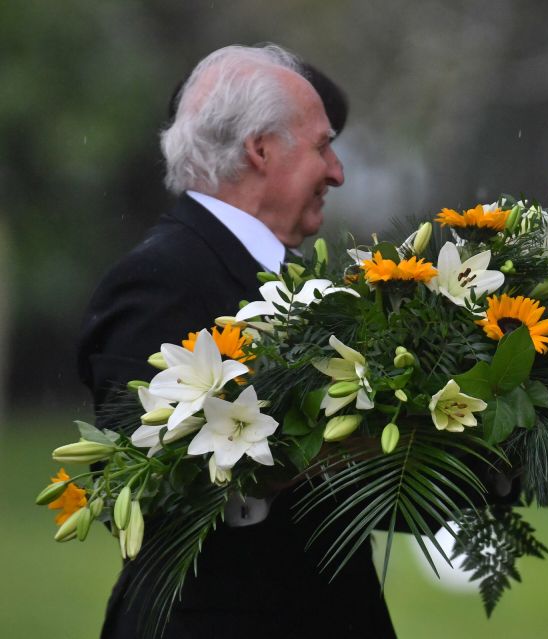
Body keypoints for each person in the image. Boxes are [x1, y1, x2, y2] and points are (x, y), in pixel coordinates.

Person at [78, 44, 397, 638]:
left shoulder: (302, 279)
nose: (338, 171)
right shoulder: (159, 277)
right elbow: (147, 482)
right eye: (324, 145)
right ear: (260, 149)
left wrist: (501, 445)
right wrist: (336, 452)